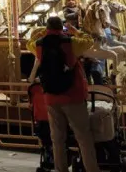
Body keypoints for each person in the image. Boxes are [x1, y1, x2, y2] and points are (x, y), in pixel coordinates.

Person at [28, 16, 100, 172]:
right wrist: (76, 31)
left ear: (47, 28)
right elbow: (89, 40)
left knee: (57, 139)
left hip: (51, 97)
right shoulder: (71, 42)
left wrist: (40, 33)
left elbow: (28, 43)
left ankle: (61, 169)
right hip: (72, 95)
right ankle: (92, 169)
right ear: (62, 28)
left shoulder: (38, 45)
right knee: (83, 136)